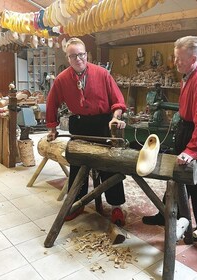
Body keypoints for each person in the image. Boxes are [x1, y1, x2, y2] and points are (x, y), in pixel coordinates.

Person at [142, 36, 197, 240]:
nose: (176, 62)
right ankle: (165, 214)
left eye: (180, 59)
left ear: (194, 58)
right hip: (187, 129)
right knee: (175, 179)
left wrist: (193, 150)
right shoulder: (188, 74)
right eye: (175, 57)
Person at [46, 37, 127, 226]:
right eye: (73, 56)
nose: (78, 59)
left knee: (110, 164)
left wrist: (116, 117)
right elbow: (52, 104)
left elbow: (118, 100)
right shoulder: (62, 79)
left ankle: (116, 206)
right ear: (68, 58)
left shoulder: (102, 74)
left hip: (103, 123)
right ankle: (76, 203)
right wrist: (52, 128)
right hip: (79, 124)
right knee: (77, 165)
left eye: (81, 54)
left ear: (86, 54)